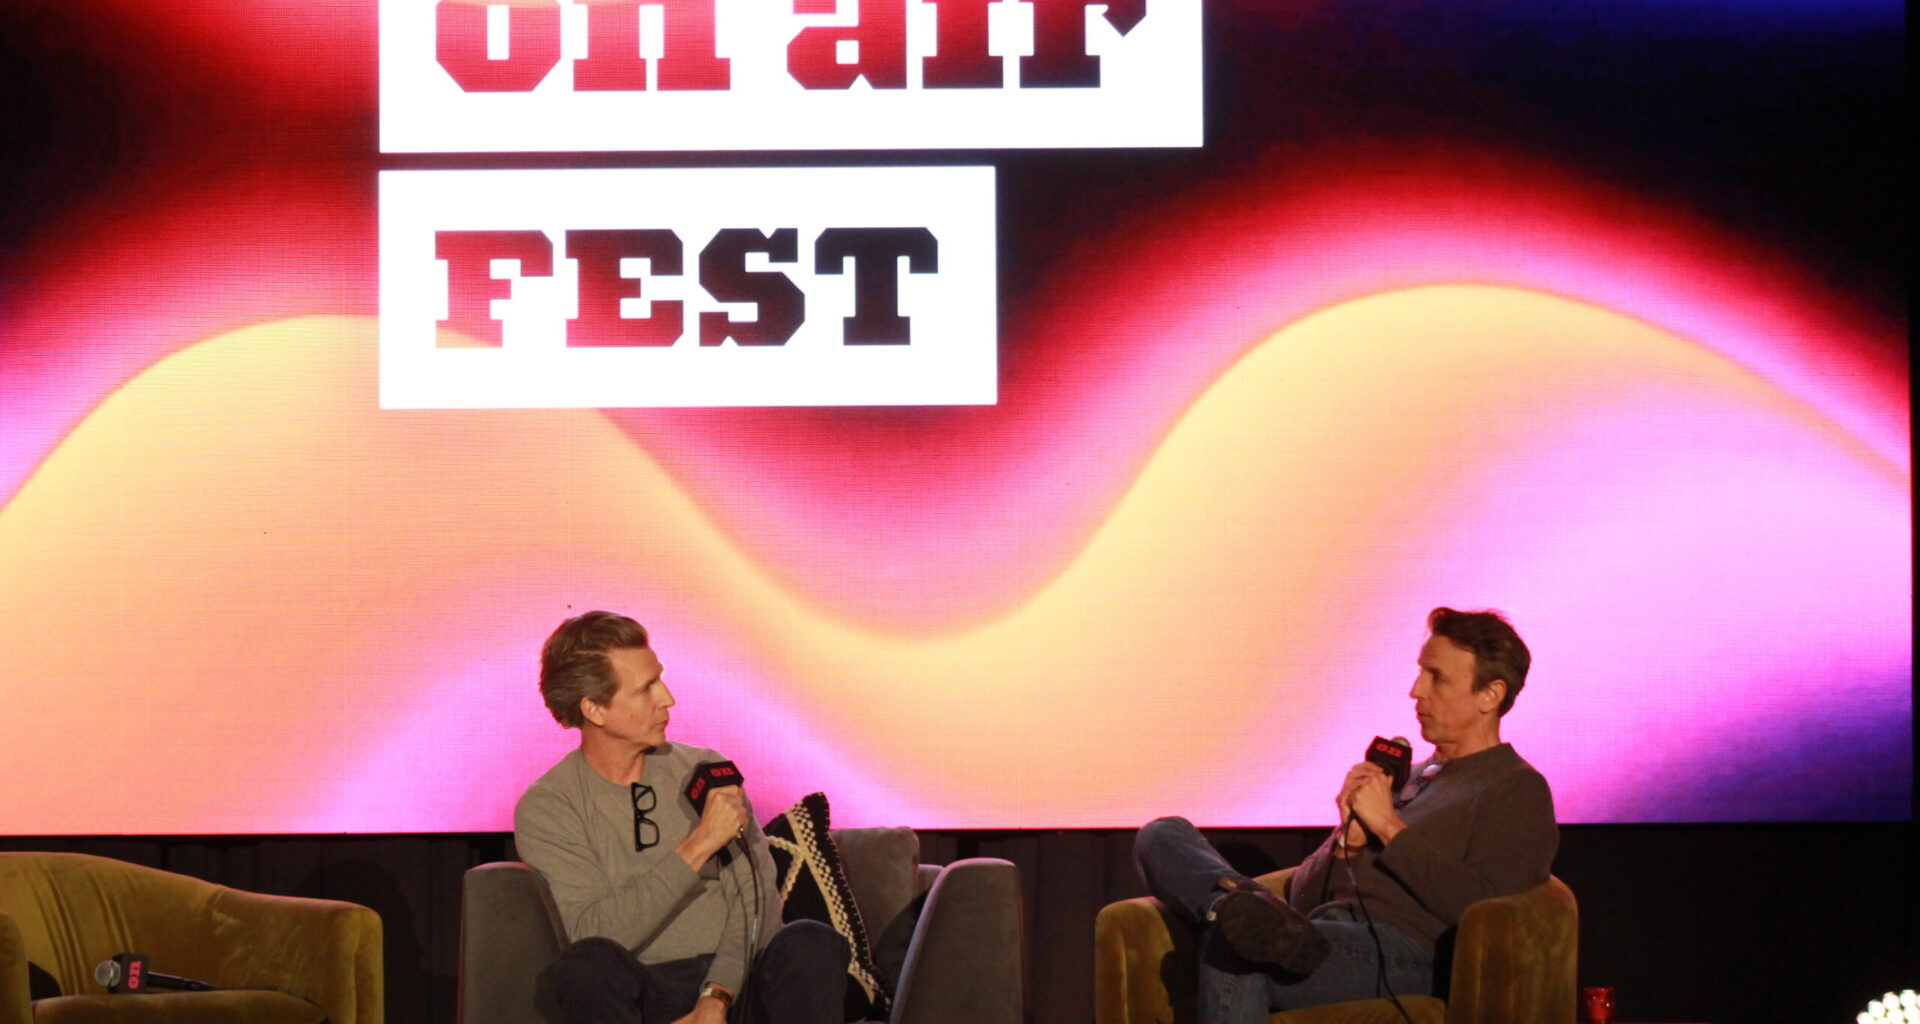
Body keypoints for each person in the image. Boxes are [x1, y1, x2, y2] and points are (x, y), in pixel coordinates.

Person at [1133, 607, 1558, 1022]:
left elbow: (1480, 904)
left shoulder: (1513, 787)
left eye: (1437, 677)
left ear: (1490, 694)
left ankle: (1238, 915)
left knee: (1241, 944)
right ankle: (1229, 903)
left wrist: (1389, 827)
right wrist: (1345, 843)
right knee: (1162, 834)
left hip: (1404, 953)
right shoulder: (1406, 778)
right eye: (1420, 671)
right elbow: (1304, 899)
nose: (1416, 690)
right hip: (1320, 932)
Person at [515, 611, 851, 1024]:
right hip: (642, 995)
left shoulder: (705, 771)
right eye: (646, 689)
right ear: (595, 709)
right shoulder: (552, 805)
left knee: (811, 943)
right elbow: (595, 932)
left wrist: (717, 995)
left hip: (736, 986)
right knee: (587, 967)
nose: (667, 698)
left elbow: (756, 899)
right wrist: (698, 845)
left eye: (660, 678)